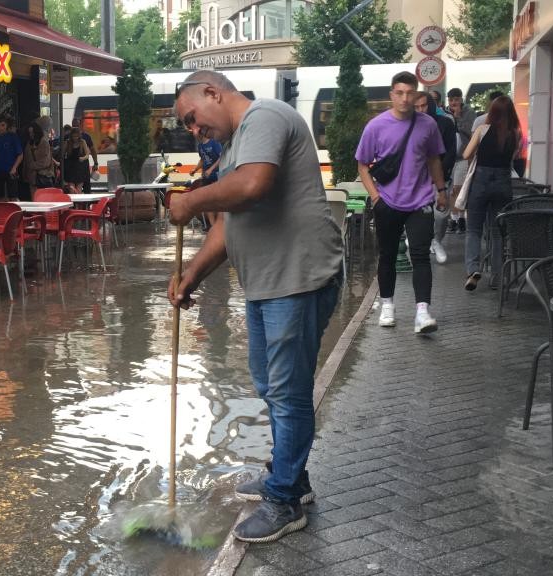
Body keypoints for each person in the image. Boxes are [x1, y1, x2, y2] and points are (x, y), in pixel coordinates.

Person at [167, 70, 343, 543]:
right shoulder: (233, 147)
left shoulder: (265, 116)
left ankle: (284, 500)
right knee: (270, 384)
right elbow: (228, 226)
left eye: (193, 118)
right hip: (269, 283)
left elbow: (252, 186)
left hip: (298, 278)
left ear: (213, 92)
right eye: (188, 126)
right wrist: (190, 276)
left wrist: (190, 200)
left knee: (287, 392)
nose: (194, 130)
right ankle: (291, 478)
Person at [356, 71, 447, 334]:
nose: (405, 98)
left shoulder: (428, 125)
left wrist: (441, 190)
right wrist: (376, 197)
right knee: (387, 255)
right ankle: (387, 305)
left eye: (409, 93)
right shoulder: (376, 126)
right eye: (399, 93)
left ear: (417, 95)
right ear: (391, 95)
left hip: (420, 200)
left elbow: (433, 159)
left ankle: (422, 312)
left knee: (420, 255)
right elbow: (362, 165)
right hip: (388, 202)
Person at [462, 95, 522, 291]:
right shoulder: (515, 134)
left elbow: (466, 154)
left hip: (481, 181)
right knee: (497, 233)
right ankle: (497, 277)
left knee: (473, 230)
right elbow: (513, 157)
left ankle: (472, 270)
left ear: (492, 112)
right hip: (503, 183)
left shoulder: (482, 129)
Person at [415, 92, 456, 265]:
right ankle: (424, 242)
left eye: (424, 105)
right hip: (418, 179)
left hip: (441, 178)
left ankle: (437, 240)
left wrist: (439, 174)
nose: (421, 110)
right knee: (421, 215)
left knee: (440, 215)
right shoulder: (411, 125)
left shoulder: (445, 123)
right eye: (417, 107)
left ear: (431, 105)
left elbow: (451, 151)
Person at [446, 88, 476, 234]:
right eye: (451, 100)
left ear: (461, 99)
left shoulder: (469, 113)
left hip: (463, 156)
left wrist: (458, 118)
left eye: (456, 99)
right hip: (449, 157)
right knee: (451, 190)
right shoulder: (445, 113)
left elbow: (472, 133)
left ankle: (461, 219)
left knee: (458, 188)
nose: (454, 103)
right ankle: (454, 219)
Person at [189, 133, 222, 231]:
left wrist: (211, 169)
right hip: (206, 177)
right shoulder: (200, 146)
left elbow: (221, 157)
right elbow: (203, 159)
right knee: (208, 202)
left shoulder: (214, 143)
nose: (194, 135)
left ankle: (220, 225)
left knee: (219, 201)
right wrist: (195, 169)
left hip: (217, 176)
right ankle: (213, 226)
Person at [0, 114, 23, 200]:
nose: (0, 128)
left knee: (13, 196)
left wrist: (14, 168)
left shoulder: (13, 137)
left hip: (11, 170)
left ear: (6, 125)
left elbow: (20, 154)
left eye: (3, 125)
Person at [22, 121, 56, 196]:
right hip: (32, 176)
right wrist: (25, 174)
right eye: (29, 133)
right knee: (34, 198)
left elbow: (46, 161)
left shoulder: (44, 142)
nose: (31, 135)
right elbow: (26, 160)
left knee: (44, 198)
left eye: (33, 132)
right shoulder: (29, 143)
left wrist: (31, 166)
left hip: (43, 174)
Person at [71, 117, 99, 192]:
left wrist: (96, 163)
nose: (75, 128)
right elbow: (92, 150)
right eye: (74, 126)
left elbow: (92, 150)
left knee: (85, 186)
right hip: (73, 167)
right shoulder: (69, 137)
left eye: (77, 126)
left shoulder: (85, 137)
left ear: (80, 125)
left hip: (83, 166)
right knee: (76, 188)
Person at [62, 128, 90, 194]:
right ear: (71, 136)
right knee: (71, 189)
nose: (75, 138)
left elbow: (87, 155)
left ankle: (78, 200)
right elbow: (62, 154)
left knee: (79, 188)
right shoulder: (67, 142)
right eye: (74, 136)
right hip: (70, 168)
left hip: (80, 167)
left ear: (79, 136)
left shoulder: (82, 142)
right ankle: (73, 200)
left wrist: (82, 158)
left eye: (77, 136)